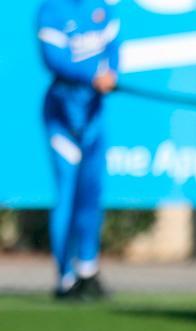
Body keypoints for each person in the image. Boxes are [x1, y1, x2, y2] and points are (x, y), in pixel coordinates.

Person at [37, 0, 121, 300]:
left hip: (93, 116)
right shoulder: (52, 9)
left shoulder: (101, 8)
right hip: (63, 117)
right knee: (67, 195)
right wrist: (91, 75)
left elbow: (113, 49)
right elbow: (53, 58)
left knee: (91, 195)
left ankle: (88, 269)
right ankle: (65, 278)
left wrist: (112, 73)